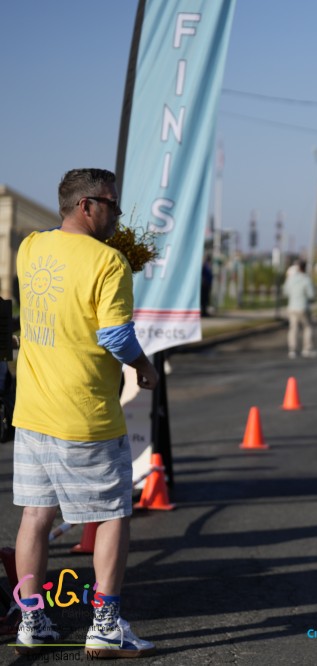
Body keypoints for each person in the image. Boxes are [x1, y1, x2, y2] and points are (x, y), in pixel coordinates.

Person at [11, 168, 159, 657]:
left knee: (36, 517)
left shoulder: (31, 247)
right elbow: (114, 335)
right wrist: (143, 366)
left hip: (32, 413)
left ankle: (32, 620)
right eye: (112, 205)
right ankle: (106, 625)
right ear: (87, 205)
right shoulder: (109, 261)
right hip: (85, 415)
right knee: (113, 515)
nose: (118, 214)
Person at [283, 259, 317, 358]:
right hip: (303, 307)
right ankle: (307, 349)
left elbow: (285, 292)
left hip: (292, 307)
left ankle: (292, 349)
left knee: (293, 328)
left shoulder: (290, 279)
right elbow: (311, 295)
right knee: (307, 327)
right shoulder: (306, 279)